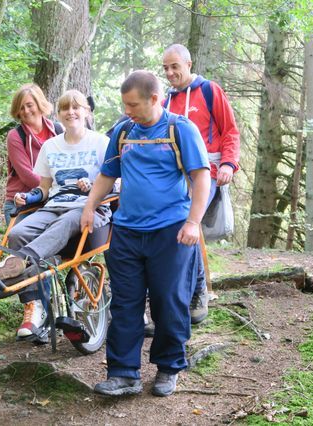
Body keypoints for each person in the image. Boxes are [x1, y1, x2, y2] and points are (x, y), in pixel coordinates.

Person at [81, 71, 210, 397]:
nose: (127, 111)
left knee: (169, 302)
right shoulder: (124, 131)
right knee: (125, 304)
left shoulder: (180, 129)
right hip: (126, 231)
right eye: (125, 104)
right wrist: (89, 207)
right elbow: (107, 173)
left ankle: (168, 368)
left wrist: (193, 223)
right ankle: (124, 374)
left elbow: (201, 177)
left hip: (171, 233)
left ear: (155, 98)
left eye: (133, 104)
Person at [0, 89, 110, 341]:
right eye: (66, 108)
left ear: (86, 111)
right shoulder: (50, 146)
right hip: (55, 206)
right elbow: (44, 188)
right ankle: (34, 305)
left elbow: (115, 181)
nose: (71, 112)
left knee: (68, 220)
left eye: (76, 107)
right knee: (17, 232)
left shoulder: (101, 142)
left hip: (90, 210)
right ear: (58, 114)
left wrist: (93, 188)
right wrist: (29, 197)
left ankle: (21, 261)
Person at [162, 44, 240, 324]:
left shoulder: (209, 90)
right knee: (167, 225)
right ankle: (174, 291)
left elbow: (230, 130)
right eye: (166, 68)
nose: (170, 73)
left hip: (207, 170)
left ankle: (197, 293)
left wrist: (230, 164)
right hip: (174, 175)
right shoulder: (166, 101)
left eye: (175, 66)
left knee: (186, 223)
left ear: (189, 63)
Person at [4, 83, 63, 225]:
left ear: (39, 104)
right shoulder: (15, 136)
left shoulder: (58, 130)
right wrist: (59, 188)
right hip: (21, 203)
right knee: (21, 244)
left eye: (30, 105)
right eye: (21, 107)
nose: (26, 111)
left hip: (53, 201)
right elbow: (27, 176)